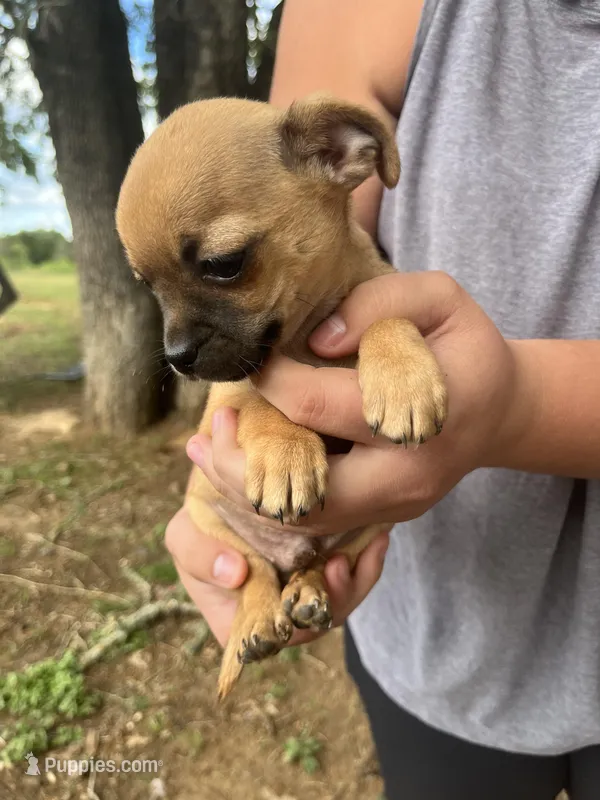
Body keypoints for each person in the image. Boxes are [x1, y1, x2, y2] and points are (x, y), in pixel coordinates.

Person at [165, 1, 600, 797]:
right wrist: (243, 472)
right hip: (430, 637)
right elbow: (323, 294)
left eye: (224, 265)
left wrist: (517, 406)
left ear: (349, 151)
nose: (176, 342)